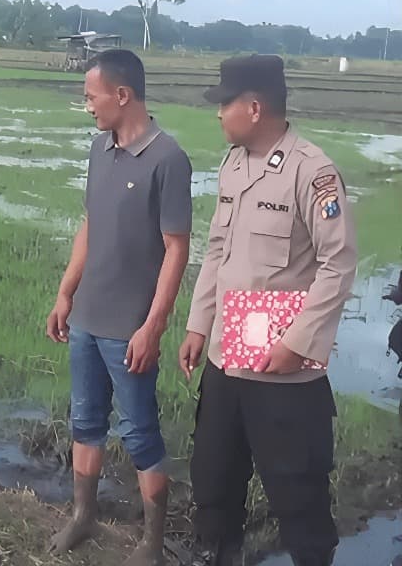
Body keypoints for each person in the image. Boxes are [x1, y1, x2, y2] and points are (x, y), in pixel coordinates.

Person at [178, 55, 357, 566]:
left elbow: (338, 265)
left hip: (286, 375)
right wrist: (198, 324)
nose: (218, 115)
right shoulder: (234, 164)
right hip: (225, 364)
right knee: (213, 482)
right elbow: (218, 251)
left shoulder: (312, 173)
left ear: (253, 108)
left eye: (224, 104)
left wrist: (297, 343)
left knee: (298, 496)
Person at [45, 50, 192, 565]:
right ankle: (82, 516)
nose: (87, 107)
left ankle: (151, 542)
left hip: (129, 327)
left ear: (122, 95)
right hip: (87, 317)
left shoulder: (168, 159)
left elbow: (177, 249)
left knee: (139, 430)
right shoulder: (98, 149)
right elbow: (90, 224)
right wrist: (67, 291)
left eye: (91, 96)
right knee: (85, 421)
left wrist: (153, 326)